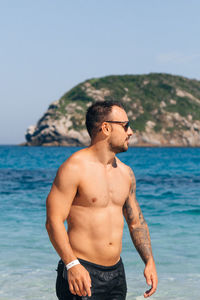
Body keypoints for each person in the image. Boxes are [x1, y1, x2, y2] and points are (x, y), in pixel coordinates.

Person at [46, 100, 158, 300]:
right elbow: (53, 221)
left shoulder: (126, 174)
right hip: (82, 273)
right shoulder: (74, 168)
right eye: (125, 125)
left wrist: (149, 261)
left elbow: (136, 222)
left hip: (116, 275)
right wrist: (72, 265)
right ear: (106, 128)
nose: (130, 132)